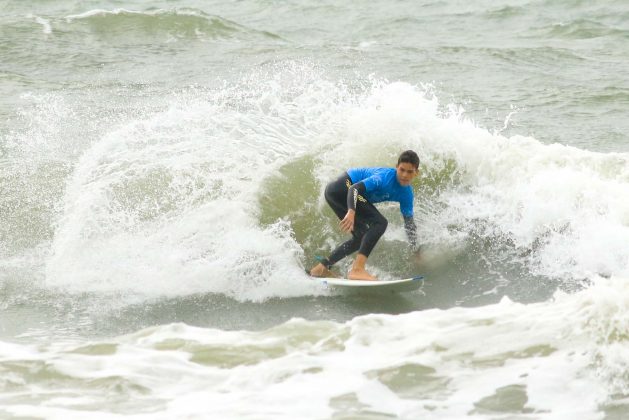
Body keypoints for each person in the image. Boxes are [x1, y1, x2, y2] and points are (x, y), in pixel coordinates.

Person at [309, 150, 421, 280]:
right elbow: (354, 189)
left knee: (360, 237)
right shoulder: (384, 178)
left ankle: (321, 268)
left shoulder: (406, 194)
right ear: (396, 167)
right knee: (380, 223)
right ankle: (357, 269)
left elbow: (409, 223)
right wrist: (351, 211)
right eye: (402, 170)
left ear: (416, 173)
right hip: (342, 187)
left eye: (409, 172)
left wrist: (416, 250)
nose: (404, 175)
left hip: (341, 194)